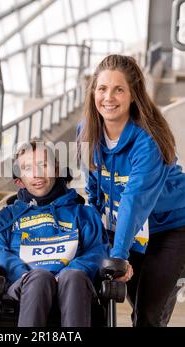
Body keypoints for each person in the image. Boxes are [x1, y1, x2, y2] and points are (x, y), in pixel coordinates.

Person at [79, 54, 185, 327]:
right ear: (93, 92)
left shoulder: (148, 140)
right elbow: (92, 187)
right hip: (127, 227)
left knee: (148, 315)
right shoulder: (86, 131)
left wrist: (118, 255)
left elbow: (133, 201)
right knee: (137, 301)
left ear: (133, 94)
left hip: (170, 227)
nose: (108, 97)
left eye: (119, 89)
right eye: (102, 88)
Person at [0, 141, 109, 327]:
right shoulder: (7, 216)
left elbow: (98, 251)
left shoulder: (83, 213)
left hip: (75, 286)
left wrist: (65, 275)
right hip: (24, 284)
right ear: (19, 181)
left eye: (43, 164)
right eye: (27, 168)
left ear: (56, 169)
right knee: (39, 278)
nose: (37, 173)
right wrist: (23, 274)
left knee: (73, 277)